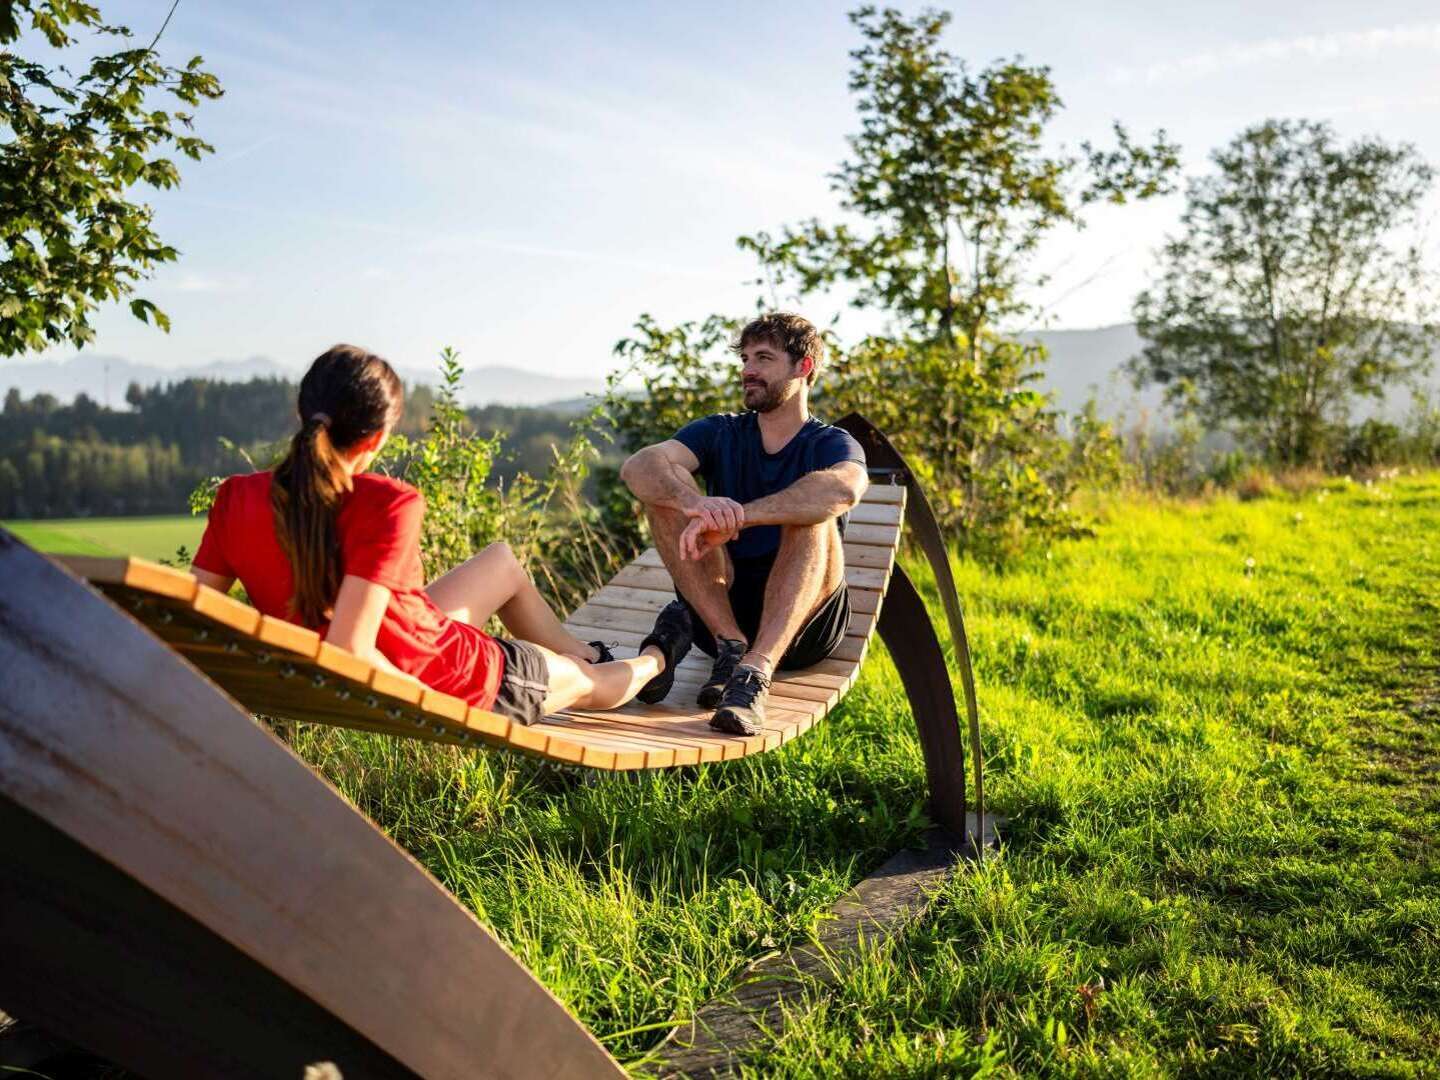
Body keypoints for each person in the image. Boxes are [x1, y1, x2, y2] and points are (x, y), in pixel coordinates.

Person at [190, 344, 690, 727]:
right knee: (591, 685)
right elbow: (348, 650)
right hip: (462, 677)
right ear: (379, 437)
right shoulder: (386, 502)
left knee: (500, 561)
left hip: (408, 637)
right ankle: (656, 658)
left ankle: (578, 650)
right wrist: (438, 712)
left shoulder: (237, 496)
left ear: (302, 414)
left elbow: (197, 615)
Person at [619, 312, 868, 736]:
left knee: (811, 512)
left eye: (764, 358)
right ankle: (732, 648)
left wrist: (740, 516)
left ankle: (754, 672)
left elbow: (843, 490)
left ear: (803, 367)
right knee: (663, 493)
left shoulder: (830, 443)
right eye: (745, 358)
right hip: (718, 618)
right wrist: (694, 504)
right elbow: (639, 467)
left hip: (803, 626)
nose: (747, 370)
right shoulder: (721, 431)